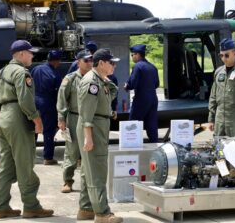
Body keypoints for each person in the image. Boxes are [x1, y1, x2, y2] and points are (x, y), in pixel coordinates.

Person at [0, 40, 53, 219]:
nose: (33, 56)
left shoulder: (2, 72)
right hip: (18, 117)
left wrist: (5, 115)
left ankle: (0, 206)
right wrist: (37, 120)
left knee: (6, 166)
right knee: (25, 164)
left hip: (4, 118)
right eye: (30, 53)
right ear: (20, 54)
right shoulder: (21, 72)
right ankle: (31, 206)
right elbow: (25, 100)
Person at [76, 48, 122, 223]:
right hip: (93, 127)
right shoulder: (92, 83)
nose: (114, 66)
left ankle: (86, 209)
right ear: (101, 63)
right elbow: (86, 111)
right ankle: (102, 213)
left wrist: (107, 81)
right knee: (97, 171)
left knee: (89, 170)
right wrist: (88, 136)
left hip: (98, 126)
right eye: (111, 63)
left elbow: (112, 93)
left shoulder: (99, 80)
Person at [57, 50, 93, 193]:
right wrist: (61, 118)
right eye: (86, 60)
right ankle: (67, 181)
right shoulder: (70, 78)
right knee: (72, 151)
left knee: (90, 151)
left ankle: (88, 182)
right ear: (78, 62)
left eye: (91, 60)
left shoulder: (96, 78)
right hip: (74, 117)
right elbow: (62, 99)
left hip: (91, 119)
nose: (90, 63)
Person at [31, 50, 62, 165]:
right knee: (48, 130)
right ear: (57, 61)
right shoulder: (55, 74)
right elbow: (59, 92)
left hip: (34, 101)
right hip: (47, 102)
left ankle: (30, 154)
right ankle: (48, 157)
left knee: (34, 127)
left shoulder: (36, 69)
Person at [124, 44, 159, 143]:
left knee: (134, 123)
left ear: (138, 55)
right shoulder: (152, 67)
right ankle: (154, 144)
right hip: (153, 99)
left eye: (132, 55)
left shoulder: (138, 66)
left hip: (141, 99)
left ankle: (132, 144)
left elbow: (133, 82)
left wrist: (127, 86)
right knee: (152, 124)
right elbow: (157, 84)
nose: (132, 57)